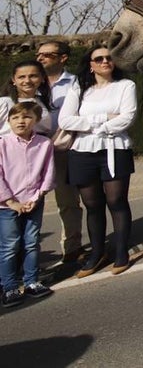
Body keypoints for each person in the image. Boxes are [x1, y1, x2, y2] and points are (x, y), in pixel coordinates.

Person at [57, 45, 137, 277]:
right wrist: (103, 120)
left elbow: (127, 118)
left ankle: (121, 251)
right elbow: (66, 120)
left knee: (117, 200)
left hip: (115, 149)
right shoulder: (78, 88)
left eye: (109, 58)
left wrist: (89, 124)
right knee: (92, 205)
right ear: (90, 65)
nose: (105, 61)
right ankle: (97, 252)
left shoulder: (125, 86)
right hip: (82, 152)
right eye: (99, 58)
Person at [0, 101, 56, 307]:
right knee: (9, 245)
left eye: (26, 117)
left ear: (35, 120)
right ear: (8, 121)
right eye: (15, 117)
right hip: (7, 205)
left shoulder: (44, 144)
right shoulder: (2, 143)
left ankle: (32, 281)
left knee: (31, 242)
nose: (21, 121)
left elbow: (48, 173)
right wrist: (11, 201)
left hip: (33, 201)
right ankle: (9, 286)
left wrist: (38, 197)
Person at [34, 42, 85, 264]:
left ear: (62, 58)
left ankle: (72, 248)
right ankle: (26, 253)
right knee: (30, 203)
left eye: (47, 55)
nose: (41, 58)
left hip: (65, 148)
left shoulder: (76, 83)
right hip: (34, 153)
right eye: (38, 54)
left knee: (68, 202)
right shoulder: (29, 82)